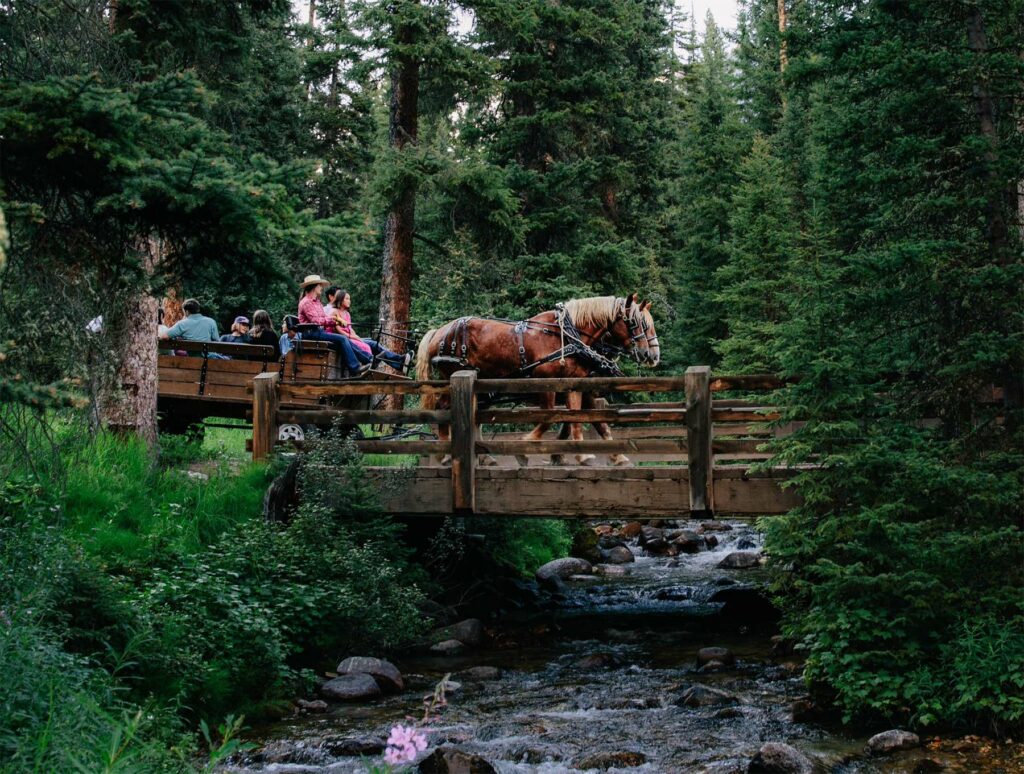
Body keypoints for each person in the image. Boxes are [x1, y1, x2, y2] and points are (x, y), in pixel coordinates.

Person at [325, 286, 411, 372]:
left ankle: (399, 362)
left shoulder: (347, 314)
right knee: (369, 344)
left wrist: (356, 336)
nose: (349, 301)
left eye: (349, 299)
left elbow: (350, 328)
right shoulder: (333, 311)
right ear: (341, 299)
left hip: (350, 337)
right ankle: (373, 361)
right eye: (347, 299)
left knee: (373, 343)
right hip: (344, 338)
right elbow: (338, 331)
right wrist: (353, 337)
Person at [296, 275, 369, 375]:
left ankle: (368, 359)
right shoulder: (306, 302)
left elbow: (324, 317)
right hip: (310, 333)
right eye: (320, 285)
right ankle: (355, 367)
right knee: (342, 339)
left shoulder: (316, 302)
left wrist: (337, 320)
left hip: (318, 332)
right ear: (315, 286)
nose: (321, 287)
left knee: (344, 340)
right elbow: (317, 321)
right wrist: (335, 320)